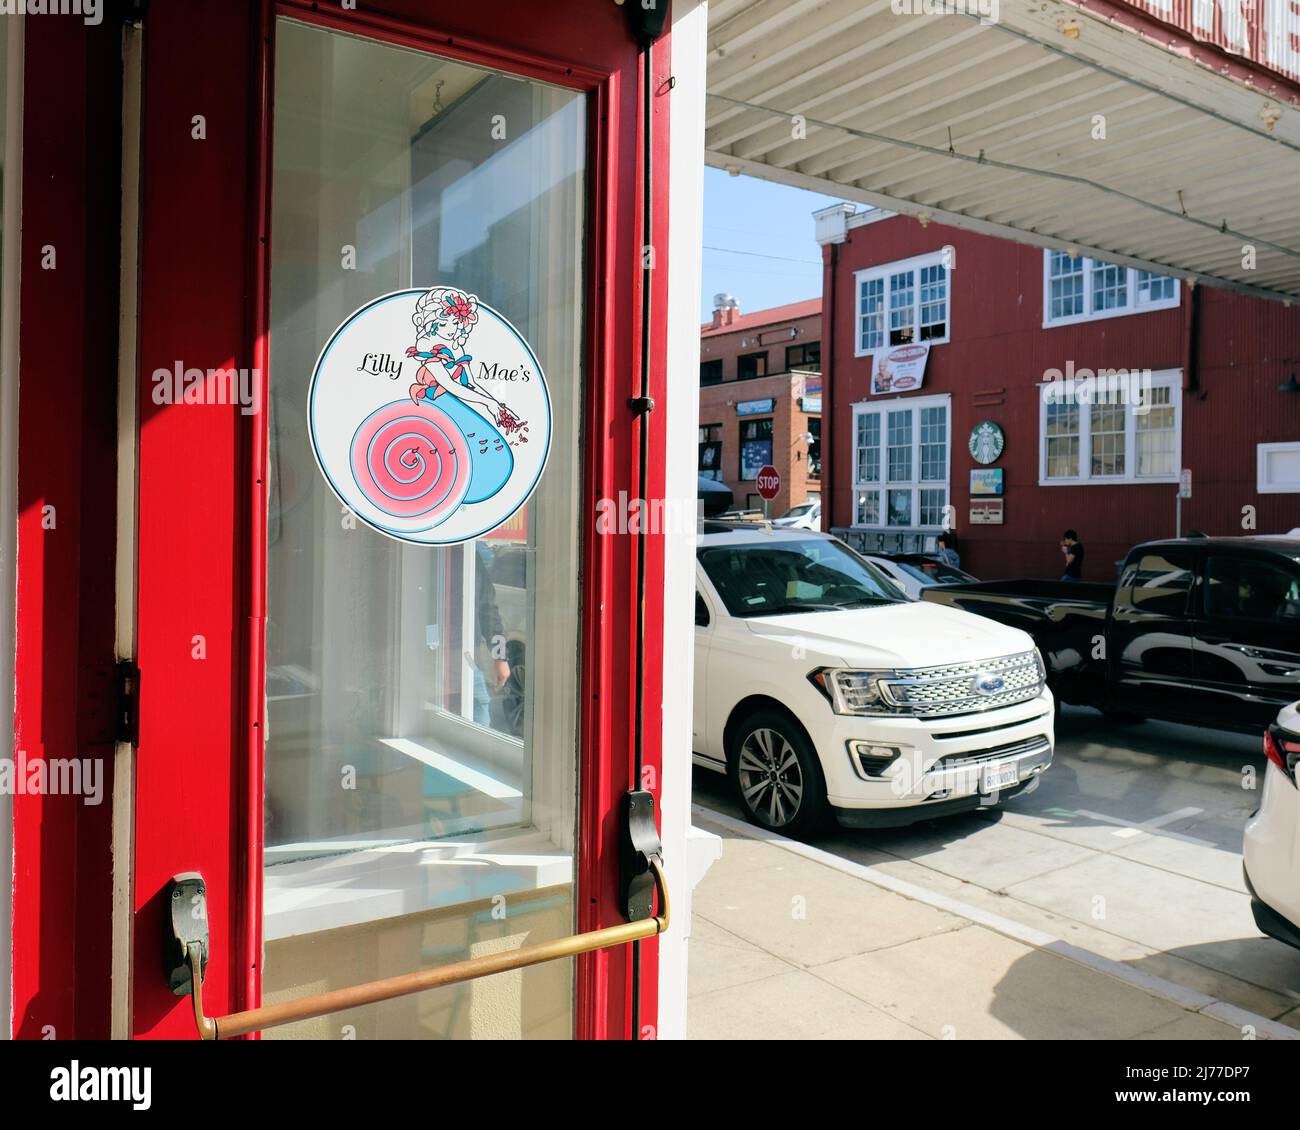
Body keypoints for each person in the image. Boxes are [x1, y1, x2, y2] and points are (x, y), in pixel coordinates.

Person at [472, 541, 511, 727]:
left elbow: (489, 611)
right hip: (439, 653)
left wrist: (501, 657)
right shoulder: (432, 557)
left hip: (465, 653)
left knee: (479, 704)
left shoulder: (471, 560)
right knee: (479, 702)